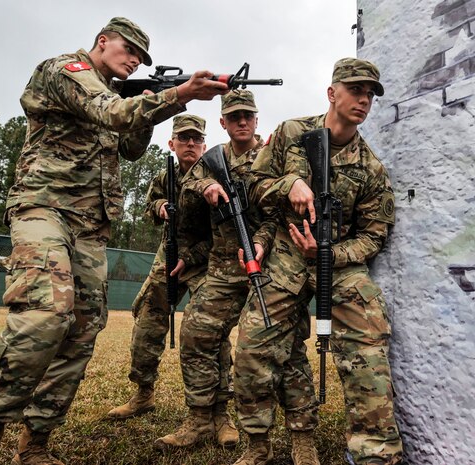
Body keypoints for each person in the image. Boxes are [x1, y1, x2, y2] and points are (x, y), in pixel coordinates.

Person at [0, 17, 228, 465]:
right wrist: (177, 95)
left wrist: (152, 102)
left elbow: (132, 146)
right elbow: (110, 113)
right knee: (45, 315)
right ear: (103, 42)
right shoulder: (67, 71)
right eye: (128, 49)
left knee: (82, 328)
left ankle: (35, 442)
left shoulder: (117, 94)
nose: (134, 59)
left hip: (90, 226)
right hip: (44, 210)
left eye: (141, 56)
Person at [232, 58, 403, 465]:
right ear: (332, 93)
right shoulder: (292, 133)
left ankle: (375, 453)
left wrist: (329, 253)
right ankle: (258, 444)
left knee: (369, 344)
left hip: (338, 265)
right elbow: (252, 186)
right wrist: (290, 183)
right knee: (253, 347)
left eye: (370, 94)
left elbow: (375, 234)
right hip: (286, 256)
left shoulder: (371, 168)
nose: (363, 99)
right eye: (355, 90)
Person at [154, 90, 277, 450]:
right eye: (234, 116)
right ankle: (201, 418)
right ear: (223, 122)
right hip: (222, 270)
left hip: (265, 267)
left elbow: (276, 215)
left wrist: (263, 242)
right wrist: (205, 182)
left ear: (256, 119)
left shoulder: (271, 156)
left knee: (259, 348)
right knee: (196, 335)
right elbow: (187, 183)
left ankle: (235, 420)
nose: (241, 122)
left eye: (247, 116)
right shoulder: (211, 159)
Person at [106, 114, 212, 420]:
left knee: (207, 330)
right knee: (147, 322)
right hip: (167, 257)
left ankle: (215, 409)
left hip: (205, 260)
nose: (190, 144)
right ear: (172, 143)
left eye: (196, 139)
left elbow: (223, 233)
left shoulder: (215, 175)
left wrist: (190, 257)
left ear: (204, 145)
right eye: (183, 138)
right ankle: (143, 393)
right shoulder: (166, 175)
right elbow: (149, 206)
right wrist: (160, 206)